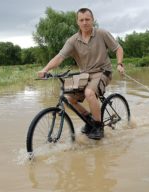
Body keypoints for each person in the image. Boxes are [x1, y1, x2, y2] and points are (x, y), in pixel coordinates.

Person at [37, 8, 125, 140]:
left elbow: (118, 48)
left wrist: (119, 64)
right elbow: (59, 57)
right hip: (84, 75)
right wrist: (45, 70)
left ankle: (98, 126)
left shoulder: (102, 33)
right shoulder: (73, 40)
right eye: (81, 20)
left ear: (92, 20)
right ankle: (89, 118)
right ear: (77, 22)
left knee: (89, 93)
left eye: (87, 19)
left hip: (103, 72)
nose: (85, 23)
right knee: (67, 98)